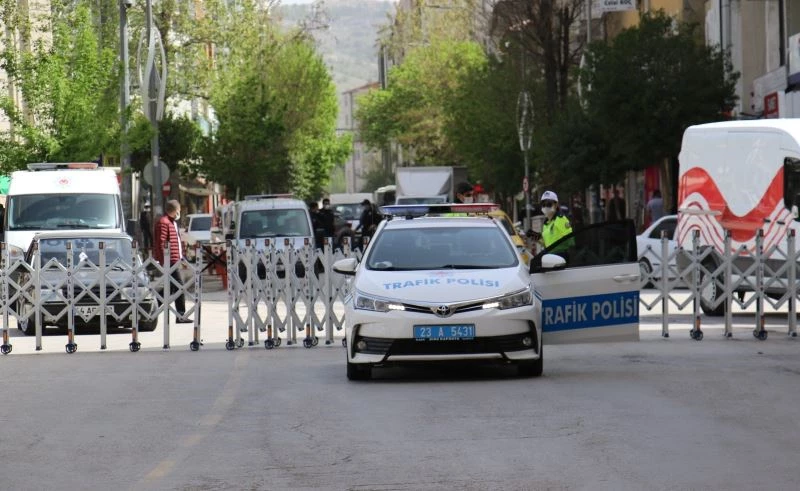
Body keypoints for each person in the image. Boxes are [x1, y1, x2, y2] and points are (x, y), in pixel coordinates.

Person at [154, 199, 192, 323]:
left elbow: (176, 242)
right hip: (169, 260)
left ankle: (150, 309)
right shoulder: (164, 222)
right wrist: (163, 261)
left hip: (174, 259)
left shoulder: (171, 222)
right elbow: (161, 243)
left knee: (170, 288)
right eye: (179, 210)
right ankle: (181, 315)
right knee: (179, 287)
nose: (179, 213)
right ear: (175, 210)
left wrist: (181, 257)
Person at [528, 191, 573, 258]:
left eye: (548, 204)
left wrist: (557, 249)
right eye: (543, 205)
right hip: (550, 256)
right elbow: (547, 242)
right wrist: (536, 236)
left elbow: (570, 241)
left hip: (560, 256)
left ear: (556, 205)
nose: (545, 207)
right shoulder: (546, 223)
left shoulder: (561, 219)